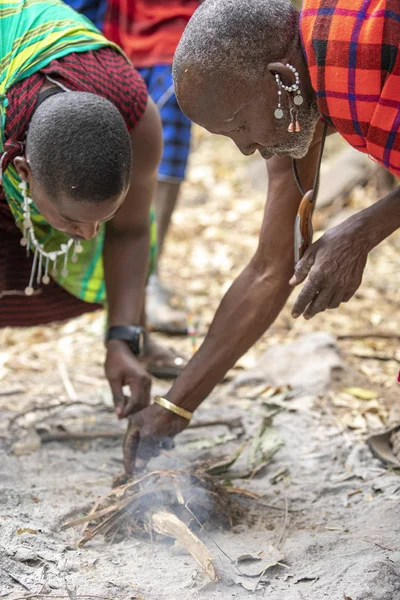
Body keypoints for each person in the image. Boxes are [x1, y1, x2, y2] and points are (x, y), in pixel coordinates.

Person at [122, 0, 400, 472]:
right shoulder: (294, 101)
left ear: (278, 76)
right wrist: (175, 407)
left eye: (239, 125)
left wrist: (362, 230)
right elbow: (270, 269)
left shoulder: (366, 48)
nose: (247, 147)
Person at [0, 0, 183, 419]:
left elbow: (133, 231)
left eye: (104, 216)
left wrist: (122, 339)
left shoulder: (139, 121)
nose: (90, 236)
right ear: (23, 172)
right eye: (72, 220)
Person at [66, 0, 200, 333]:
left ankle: (145, 282)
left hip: (174, 36)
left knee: (163, 166)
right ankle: (96, 281)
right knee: (104, 151)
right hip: (112, 34)